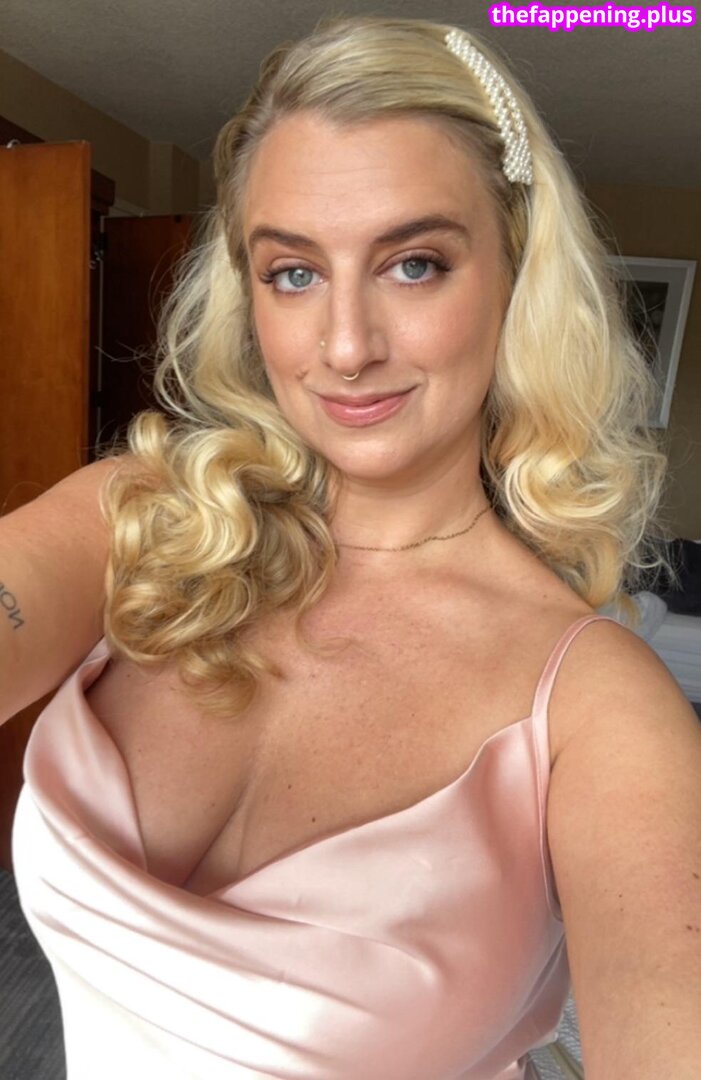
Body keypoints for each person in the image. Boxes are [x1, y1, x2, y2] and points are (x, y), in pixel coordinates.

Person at [3, 14, 700, 1080]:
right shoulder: (142, 523)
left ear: (515, 276)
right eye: (292, 273)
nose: (343, 347)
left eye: (413, 265)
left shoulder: (598, 710)